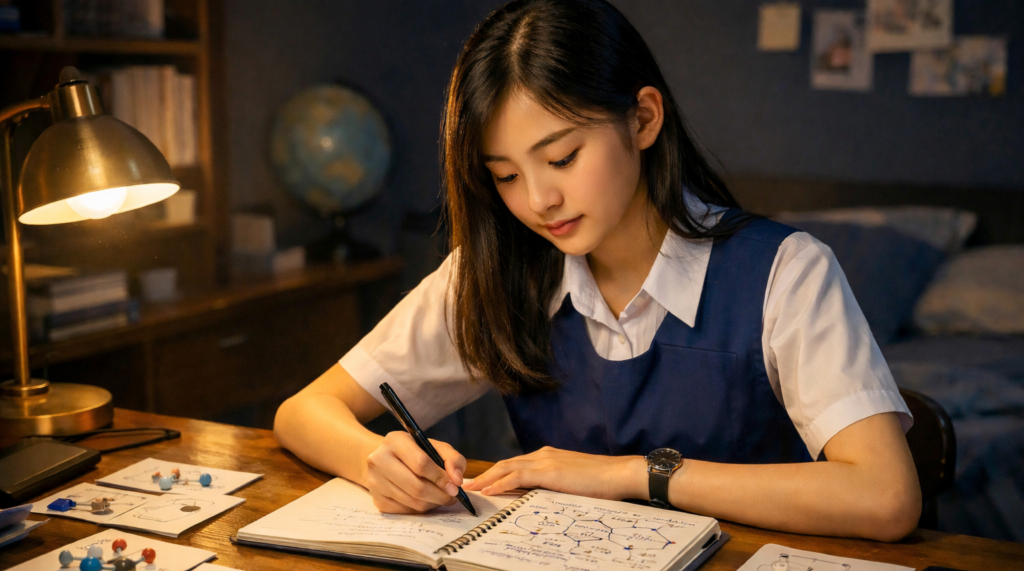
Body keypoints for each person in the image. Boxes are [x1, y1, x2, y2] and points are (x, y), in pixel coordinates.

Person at [275, 0, 921, 542]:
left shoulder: (785, 272)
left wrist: (631, 474)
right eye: (506, 175)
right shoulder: (498, 272)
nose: (538, 200)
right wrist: (375, 457)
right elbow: (304, 412)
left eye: (561, 158)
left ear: (643, 119)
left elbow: (885, 495)